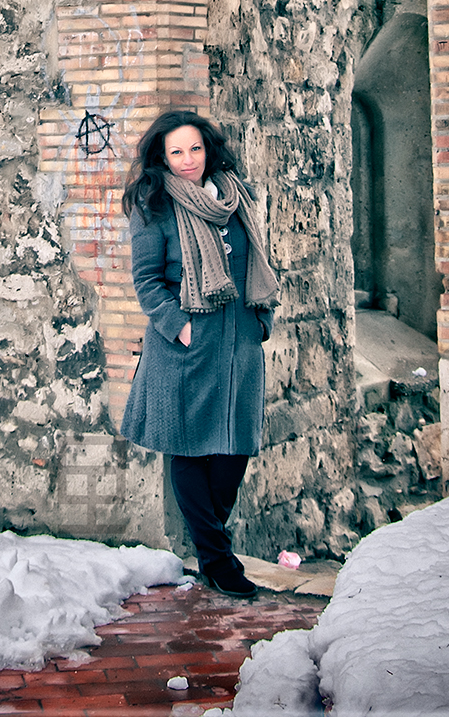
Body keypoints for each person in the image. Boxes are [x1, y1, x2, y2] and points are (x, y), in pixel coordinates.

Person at [120, 110, 279, 598]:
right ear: (162, 157)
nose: (188, 160)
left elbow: (258, 260)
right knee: (189, 450)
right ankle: (217, 560)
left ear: (209, 150)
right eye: (176, 152)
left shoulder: (236, 196)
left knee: (234, 449)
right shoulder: (154, 204)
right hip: (186, 346)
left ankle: (212, 548)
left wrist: (262, 319)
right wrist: (180, 327)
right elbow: (147, 281)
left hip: (240, 342)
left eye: (195, 148)